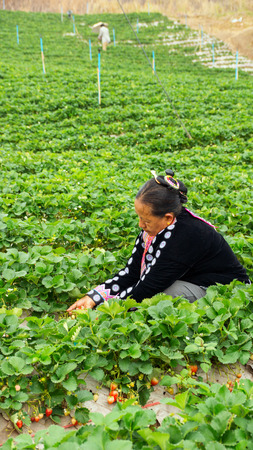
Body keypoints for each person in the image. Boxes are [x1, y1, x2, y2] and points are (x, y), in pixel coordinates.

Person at [67, 169, 250, 313]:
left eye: (146, 221)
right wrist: (94, 297)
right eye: (139, 217)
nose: (141, 225)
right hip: (188, 279)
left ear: (168, 218)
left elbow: (148, 287)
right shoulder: (156, 228)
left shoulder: (188, 236)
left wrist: (105, 310)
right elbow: (132, 273)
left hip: (223, 291)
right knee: (143, 287)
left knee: (158, 297)